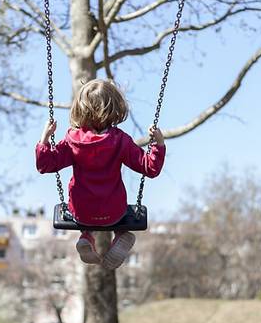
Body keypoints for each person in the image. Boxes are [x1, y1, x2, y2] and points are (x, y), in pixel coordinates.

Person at [36, 79, 166, 269]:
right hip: (113, 210)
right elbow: (150, 168)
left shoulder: (72, 140)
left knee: (84, 212)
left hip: (81, 211)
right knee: (119, 218)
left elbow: (45, 165)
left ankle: (86, 237)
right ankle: (120, 235)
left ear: (80, 108)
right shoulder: (120, 140)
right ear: (114, 108)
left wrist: (45, 139)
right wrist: (158, 145)